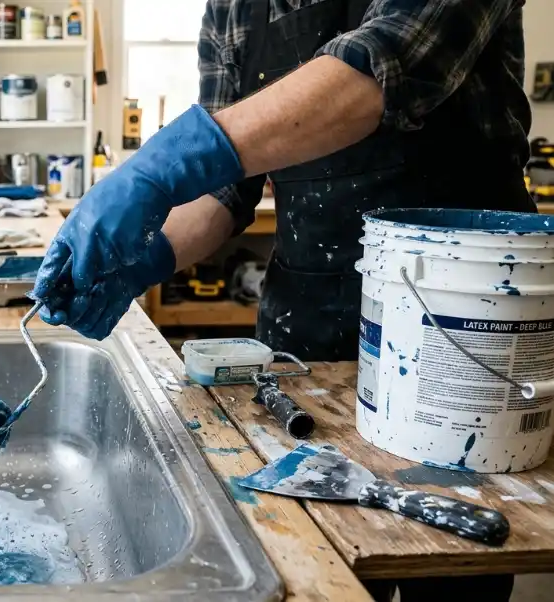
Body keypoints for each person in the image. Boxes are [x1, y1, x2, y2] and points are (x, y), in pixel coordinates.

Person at [31, 1, 530, 600]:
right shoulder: (233, 8)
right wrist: (142, 259)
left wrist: (160, 168)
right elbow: (224, 192)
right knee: (308, 563)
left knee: (448, 569)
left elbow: (378, 68)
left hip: (461, 327)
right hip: (306, 334)